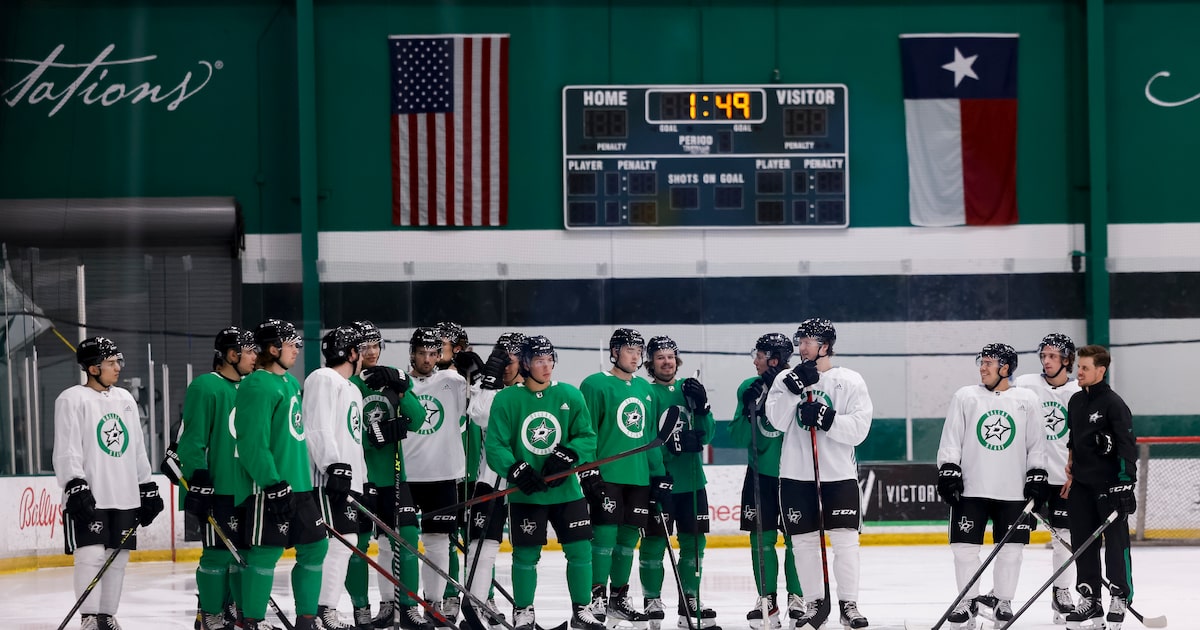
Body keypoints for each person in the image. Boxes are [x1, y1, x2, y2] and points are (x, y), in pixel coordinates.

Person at [483, 335, 603, 630]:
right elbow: (496, 444)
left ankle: (581, 609)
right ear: (525, 364)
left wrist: (569, 453)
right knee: (525, 555)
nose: (547, 366)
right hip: (527, 493)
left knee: (580, 551)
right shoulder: (506, 399)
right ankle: (523, 611)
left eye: (550, 360)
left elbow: (587, 436)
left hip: (566, 490)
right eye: (539, 360)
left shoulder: (570, 395)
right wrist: (516, 469)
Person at [764, 319, 872, 630]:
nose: (801, 347)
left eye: (808, 341)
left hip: (838, 476)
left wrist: (827, 419)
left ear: (825, 346)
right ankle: (813, 602)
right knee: (805, 543)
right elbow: (777, 422)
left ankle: (848, 603)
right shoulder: (787, 377)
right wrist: (791, 386)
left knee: (846, 542)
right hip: (797, 476)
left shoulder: (850, 380)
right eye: (800, 341)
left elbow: (859, 430)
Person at [935, 343, 1048, 629]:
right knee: (964, 548)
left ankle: (1003, 600)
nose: (982, 367)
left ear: (1006, 368)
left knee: (1010, 551)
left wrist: (1037, 473)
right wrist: (949, 469)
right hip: (971, 489)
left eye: (988, 362)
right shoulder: (965, 396)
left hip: (1013, 490)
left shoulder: (1027, 399)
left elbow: (1036, 443)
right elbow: (951, 438)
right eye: (981, 362)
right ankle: (967, 600)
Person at [53, 336, 163, 630]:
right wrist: (74, 484)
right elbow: (67, 448)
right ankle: (89, 618)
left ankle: (106, 616)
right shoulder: (71, 398)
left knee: (118, 558)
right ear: (92, 368)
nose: (118, 368)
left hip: (124, 494)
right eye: (111, 363)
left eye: (118, 362)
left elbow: (136, 447)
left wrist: (146, 485)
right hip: (92, 494)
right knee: (90, 555)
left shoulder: (125, 399)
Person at [234, 319, 328, 630]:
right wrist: (272, 483)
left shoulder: (288, 383)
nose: (297, 350)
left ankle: (306, 619)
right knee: (265, 552)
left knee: (316, 546)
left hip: (300, 485)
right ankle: (252, 621)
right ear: (273, 349)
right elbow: (252, 444)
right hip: (272, 487)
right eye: (292, 345)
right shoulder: (257, 385)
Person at [579, 328, 667, 628]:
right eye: (629, 349)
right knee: (603, 539)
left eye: (638, 350)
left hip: (639, 477)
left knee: (628, 541)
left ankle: (618, 599)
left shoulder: (645, 389)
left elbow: (650, 436)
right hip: (608, 475)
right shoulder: (594, 384)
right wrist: (588, 469)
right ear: (614, 352)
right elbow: (586, 431)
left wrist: (658, 475)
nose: (635, 355)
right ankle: (596, 597)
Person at [174, 327, 258, 630]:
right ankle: (210, 615)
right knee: (218, 555)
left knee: (245, 555)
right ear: (232, 355)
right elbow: (191, 440)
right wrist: (198, 476)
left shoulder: (252, 386)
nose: (254, 357)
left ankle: (235, 612)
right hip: (220, 488)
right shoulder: (206, 387)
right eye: (249, 351)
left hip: (251, 487)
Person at [350, 321, 430, 630]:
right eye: (365, 346)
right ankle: (361, 608)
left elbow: (419, 418)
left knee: (407, 539)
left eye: (375, 345)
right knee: (358, 545)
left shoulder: (389, 380)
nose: (371, 352)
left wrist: (402, 385)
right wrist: (375, 435)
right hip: (359, 479)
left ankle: (406, 605)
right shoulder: (348, 384)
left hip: (393, 476)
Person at [638, 335, 718, 629]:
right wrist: (666, 454)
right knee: (654, 543)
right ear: (650, 362)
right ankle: (652, 599)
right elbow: (644, 437)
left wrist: (703, 407)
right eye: (660, 357)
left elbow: (706, 435)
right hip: (662, 481)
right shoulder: (646, 393)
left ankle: (691, 597)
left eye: (671, 356)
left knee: (694, 543)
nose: (666, 361)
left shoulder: (689, 391)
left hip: (694, 480)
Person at [727, 333, 804, 629]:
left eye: (759, 355)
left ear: (773, 359)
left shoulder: (798, 384)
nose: (755, 360)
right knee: (762, 542)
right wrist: (751, 411)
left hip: (795, 476)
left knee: (798, 542)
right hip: (760, 475)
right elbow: (736, 437)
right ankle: (766, 598)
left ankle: (798, 597)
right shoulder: (749, 387)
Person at [1063, 345, 1137, 630]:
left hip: (1110, 487)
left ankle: (1119, 595)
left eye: (1084, 368)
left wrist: (1125, 483)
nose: (1078, 372)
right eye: (1078, 367)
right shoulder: (1075, 402)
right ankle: (1090, 597)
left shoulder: (1114, 404)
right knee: (1083, 543)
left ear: (1100, 370)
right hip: (1081, 485)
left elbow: (1127, 446)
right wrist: (1071, 468)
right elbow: (1073, 439)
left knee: (1116, 543)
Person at [305, 326, 371, 630]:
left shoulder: (352, 388)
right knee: (338, 542)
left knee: (346, 541)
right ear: (352, 353)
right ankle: (321, 609)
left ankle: (324, 608)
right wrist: (334, 466)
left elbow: (353, 438)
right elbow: (318, 426)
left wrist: (363, 479)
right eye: (361, 349)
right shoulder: (322, 378)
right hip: (327, 478)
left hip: (348, 479)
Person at [1012, 333, 1081, 622]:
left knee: (1064, 538)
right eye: (1044, 355)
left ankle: (1061, 591)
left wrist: (1077, 472)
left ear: (1067, 360)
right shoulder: (1027, 384)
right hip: (1031, 477)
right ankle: (1001, 593)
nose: (1046, 361)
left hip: (1064, 480)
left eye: (1053, 356)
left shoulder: (1079, 392)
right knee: (1013, 538)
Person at [402, 327, 469, 626]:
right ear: (412, 353)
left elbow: (480, 409)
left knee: (438, 543)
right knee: (398, 543)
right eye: (422, 353)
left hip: (443, 476)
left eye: (433, 353)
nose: (427, 359)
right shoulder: (399, 382)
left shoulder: (454, 382)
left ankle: (433, 602)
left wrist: (478, 378)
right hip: (405, 475)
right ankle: (400, 604)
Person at [463, 332, 527, 628]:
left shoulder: (534, 388)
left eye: (511, 360)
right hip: (491, 479)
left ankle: (526, 610)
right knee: (481, 546)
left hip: (527, 481)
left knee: (528, 550)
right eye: (501, 359)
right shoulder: (487, 387)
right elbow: (481, 416)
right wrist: (489, 380)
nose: (506, 366)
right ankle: (475, 605)